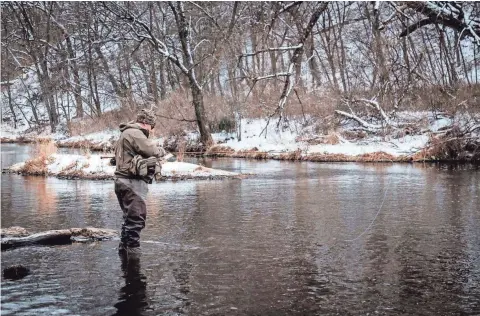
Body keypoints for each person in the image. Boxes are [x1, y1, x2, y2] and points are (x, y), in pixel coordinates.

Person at [114, 109, 166, 257]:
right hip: (130, 183)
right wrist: (161, 151)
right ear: (145, 123)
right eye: (151, 126)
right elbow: (151, 150)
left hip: (122, 182)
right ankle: (134, 258)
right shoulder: (135, 133)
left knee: (129, 219)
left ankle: (124, 255)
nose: (152, 130)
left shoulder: (126, 133)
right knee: (136, 219)